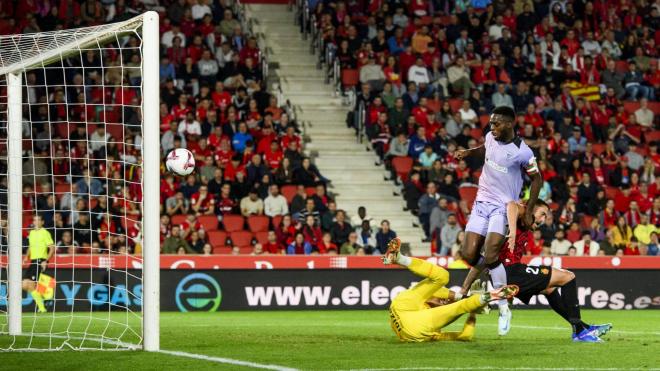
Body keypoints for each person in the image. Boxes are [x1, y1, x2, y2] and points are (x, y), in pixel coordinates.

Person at [454, 106, 542, 335]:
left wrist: (530, 208)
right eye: (491, 123)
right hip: (481, 203)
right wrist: (468, 152)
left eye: (496, 124)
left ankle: (503, 306)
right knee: (470, 255)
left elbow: (537, 179)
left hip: (502, 207)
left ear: (510, 124)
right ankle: (484, 279)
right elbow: (485, 150)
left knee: (491, 253)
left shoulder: (522, 151)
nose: (491, 127)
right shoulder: (490, 138)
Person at [495, 202, 611, 342]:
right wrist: (513, 231)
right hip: (511, 271)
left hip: (511, 272)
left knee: (549, 290)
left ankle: (582, 327)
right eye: (542, 214)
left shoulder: (525, 228)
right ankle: (580, 331)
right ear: (530, 210)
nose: (543, 220)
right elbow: (512, 205)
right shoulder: (517, 218)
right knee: (568, 277)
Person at [383, 237, 519, 342]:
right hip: (407, 315)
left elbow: (464, 334)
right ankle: (399, 258)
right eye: (442, 301)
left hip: (408, 320)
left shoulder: (434, 327)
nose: (443, 302)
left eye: (444, 302)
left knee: (455, 300)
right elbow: (464, 333)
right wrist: (472, 307)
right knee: (445, 280)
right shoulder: (433, 303)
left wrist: (472, 309)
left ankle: (487, 296)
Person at [23, 215, 56, 313]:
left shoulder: (45, 233)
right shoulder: (32, 232)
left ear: (42, 222)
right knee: (25, 285)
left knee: (29, 284)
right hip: (32, 261)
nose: (36, 222)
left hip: (40, 261)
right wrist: (26, 257)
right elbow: (30, 247)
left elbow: (52, 248)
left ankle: (42, 307)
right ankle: (44, 300)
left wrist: (45, 260)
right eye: (34, 220)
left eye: (38, 220)